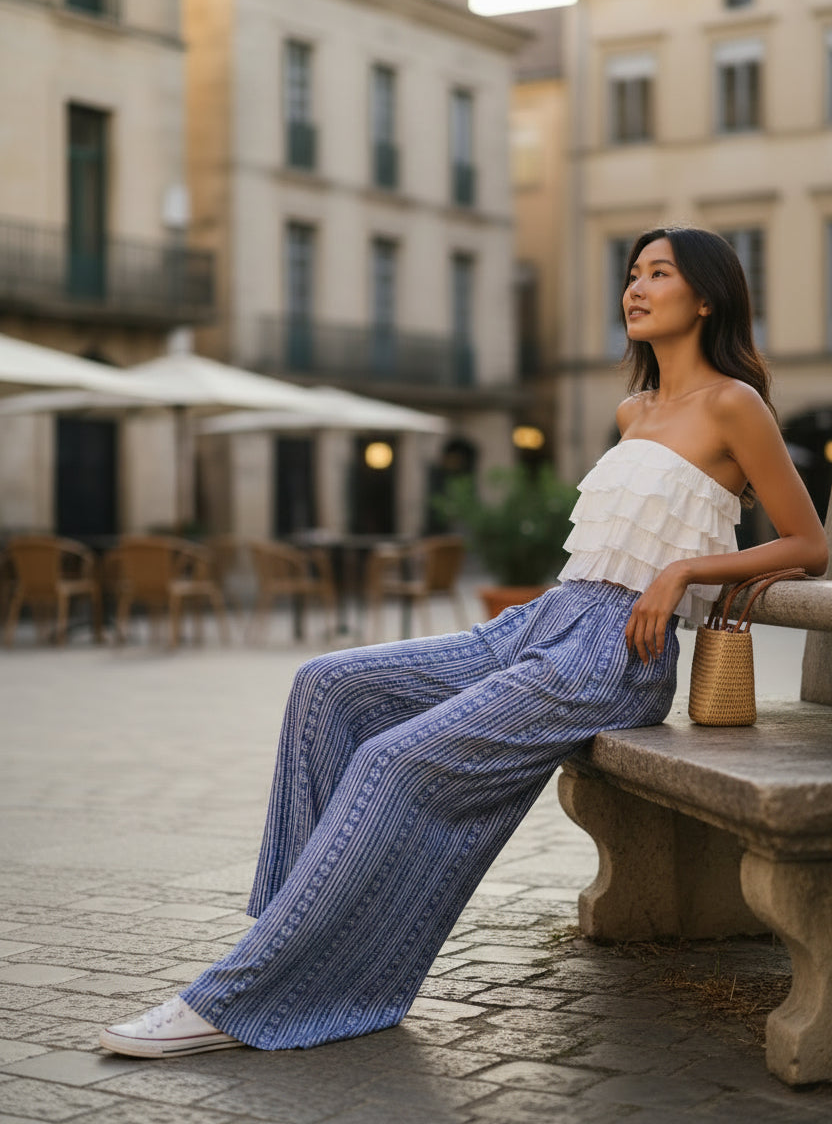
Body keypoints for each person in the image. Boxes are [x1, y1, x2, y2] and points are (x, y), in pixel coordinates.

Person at [100, 226, 827, 1058]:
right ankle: (288, 944)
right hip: (547, 619)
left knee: (392, 762)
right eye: (630, 273)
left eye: (658, 273)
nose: (635, 287)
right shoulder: (632, 410)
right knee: (329, 686)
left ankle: (243, 995)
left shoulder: (734, 404)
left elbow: (809, 544)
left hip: (614, 652)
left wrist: (685, 572)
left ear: (705, 296)